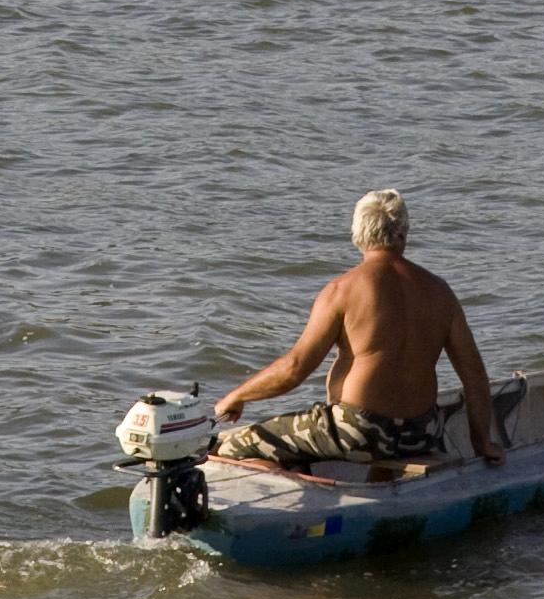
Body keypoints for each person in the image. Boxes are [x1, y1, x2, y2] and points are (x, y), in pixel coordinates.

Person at [212, 188, 508, 468]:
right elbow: (474, 375)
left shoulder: (342, 289)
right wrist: (482, 443)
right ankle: (380, 488)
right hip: (422, 432)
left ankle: (297, 496)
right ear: (403, 233)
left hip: (357, 431)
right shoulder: (441, 292)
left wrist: (236, 396)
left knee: (235, 445)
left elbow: (295, 368)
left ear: (358, 233)